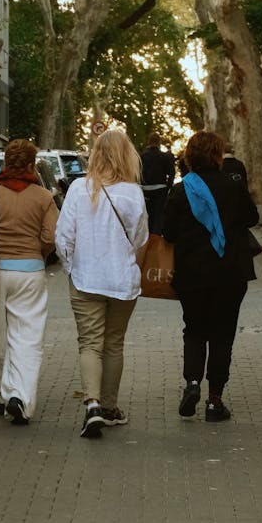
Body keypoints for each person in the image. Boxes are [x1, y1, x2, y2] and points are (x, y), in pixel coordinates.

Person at [55, 127, 148, 439]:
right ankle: (109, 407)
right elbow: (140, 239)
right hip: (122, 279)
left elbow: (63, 237)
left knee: (90, 343)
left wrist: (72, 266)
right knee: (114, 342)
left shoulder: (79, 189)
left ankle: (92, 405)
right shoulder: (133, 193)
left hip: (85, 279)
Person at [163, 130, 259, 423]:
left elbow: (168, 232)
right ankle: (215, 401)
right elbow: (252, 218)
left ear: (189, 157)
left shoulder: (180, 191)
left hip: (191, 275)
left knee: (193, 330)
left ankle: (192, 383)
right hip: (230, 273)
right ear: (218, 155)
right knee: (222, 335)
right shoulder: (233, 183)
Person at [0, 139, 58, 425]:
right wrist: (38, 256)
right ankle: (19, 396)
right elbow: (50, 238)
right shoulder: (43, 197)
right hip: (30, 273)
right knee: (27, 339)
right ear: (32, 165)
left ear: (6, 163)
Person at [139, 132, 175, 233]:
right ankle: (156, 240)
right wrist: (167, 188)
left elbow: (136, 174)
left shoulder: (141, 157)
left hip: (144, 191)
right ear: (159, 142)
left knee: (146, 217)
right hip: (160, 190)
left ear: (148, 142)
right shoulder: (165, 157)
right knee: (158, 218)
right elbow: (172, 174)